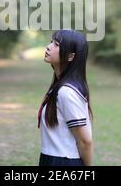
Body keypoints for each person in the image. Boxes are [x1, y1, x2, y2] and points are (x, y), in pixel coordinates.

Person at [38, 29, 94, 166]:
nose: (49, 47)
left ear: (70, 56)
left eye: (56, 45)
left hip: (63, 161)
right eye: (51, 42)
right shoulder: (58, 87)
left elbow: (85, 141)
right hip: (52, 158)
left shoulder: (67, 92)